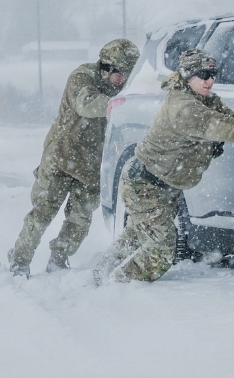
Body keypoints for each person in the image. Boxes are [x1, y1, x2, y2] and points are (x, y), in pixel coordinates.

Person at [96, 48, 234, 283]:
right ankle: (116, 286)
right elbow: (221, 127)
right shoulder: (184, 107)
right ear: (188, 76)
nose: (210, 81)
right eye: (204, 75)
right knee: (160, 254)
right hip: (146, 186)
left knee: (137, 236)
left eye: (213, 74)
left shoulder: (200, 97)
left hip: (161, 185)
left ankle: (100, 275)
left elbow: (223, 117)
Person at [8, 38, 140, 276]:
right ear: (105, 66)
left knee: (78, 222)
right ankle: (19, 260)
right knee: (41, 216)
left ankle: (59, 260)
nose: (123, 79)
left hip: (91, 168)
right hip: (61, 159)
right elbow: (86, 103)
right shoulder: (82, 76)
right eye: (120, 73)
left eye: (128, 74)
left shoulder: (124, 87)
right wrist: (117, 104)